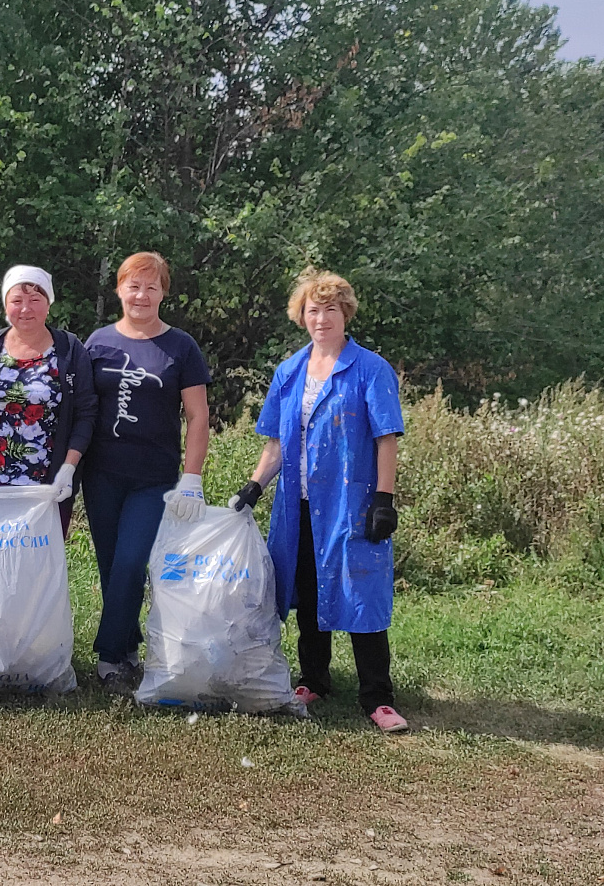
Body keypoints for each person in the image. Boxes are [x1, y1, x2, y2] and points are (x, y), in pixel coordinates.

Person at [230, 269, 407, 733]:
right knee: (307, 591)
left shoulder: (369, 368)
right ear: (301, 317)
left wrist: (385, 499)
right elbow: (276, 443)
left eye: (331, 308)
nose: (322, 317)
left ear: (345, 313)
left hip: (352, 506)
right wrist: (254, 486)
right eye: (313, 309)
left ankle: (378, 697)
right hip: (298, 506)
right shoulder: (289, 372)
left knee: (361, 592)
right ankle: (314, 679)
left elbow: (386, 437)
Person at [82, 251, 212, 691]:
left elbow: (197, 416)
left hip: (154, 478)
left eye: (151, 286)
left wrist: (192, 477)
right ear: (119, 289)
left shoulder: (180, 347)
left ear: (163, 293)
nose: (141, 294)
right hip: (101, 474)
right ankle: (129, 641)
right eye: (133, 285)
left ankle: (109, 656)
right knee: (110, 564)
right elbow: (81, 410)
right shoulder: (97, 343)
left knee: (132, 561)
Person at [0, 265, 98, 535]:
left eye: (35, 299)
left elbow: (85, 414)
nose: (26, 309)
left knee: (38, 570)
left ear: (48, 305)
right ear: (5, 306)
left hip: (49, 487)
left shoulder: (69, 350)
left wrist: (69, 469)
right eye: (17, 301)